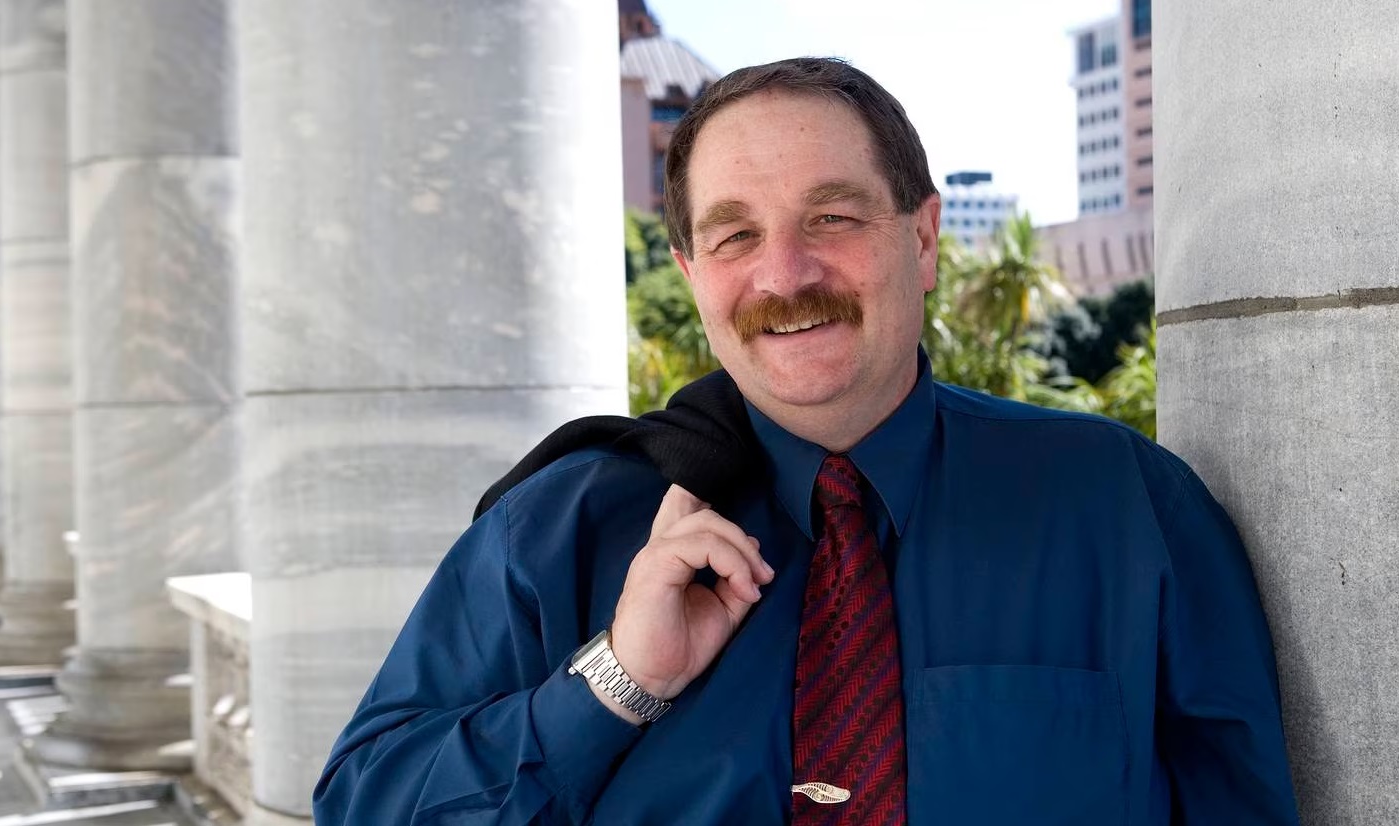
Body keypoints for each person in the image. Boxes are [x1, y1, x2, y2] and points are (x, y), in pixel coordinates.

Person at [313, 57, 1299, 825]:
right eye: (735, 235)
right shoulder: (561, 528)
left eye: (830, 216)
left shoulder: (1128, 508)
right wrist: (617, 680)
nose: (785, 274)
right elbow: (363, 803)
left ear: (921, 236)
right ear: (691, 269)